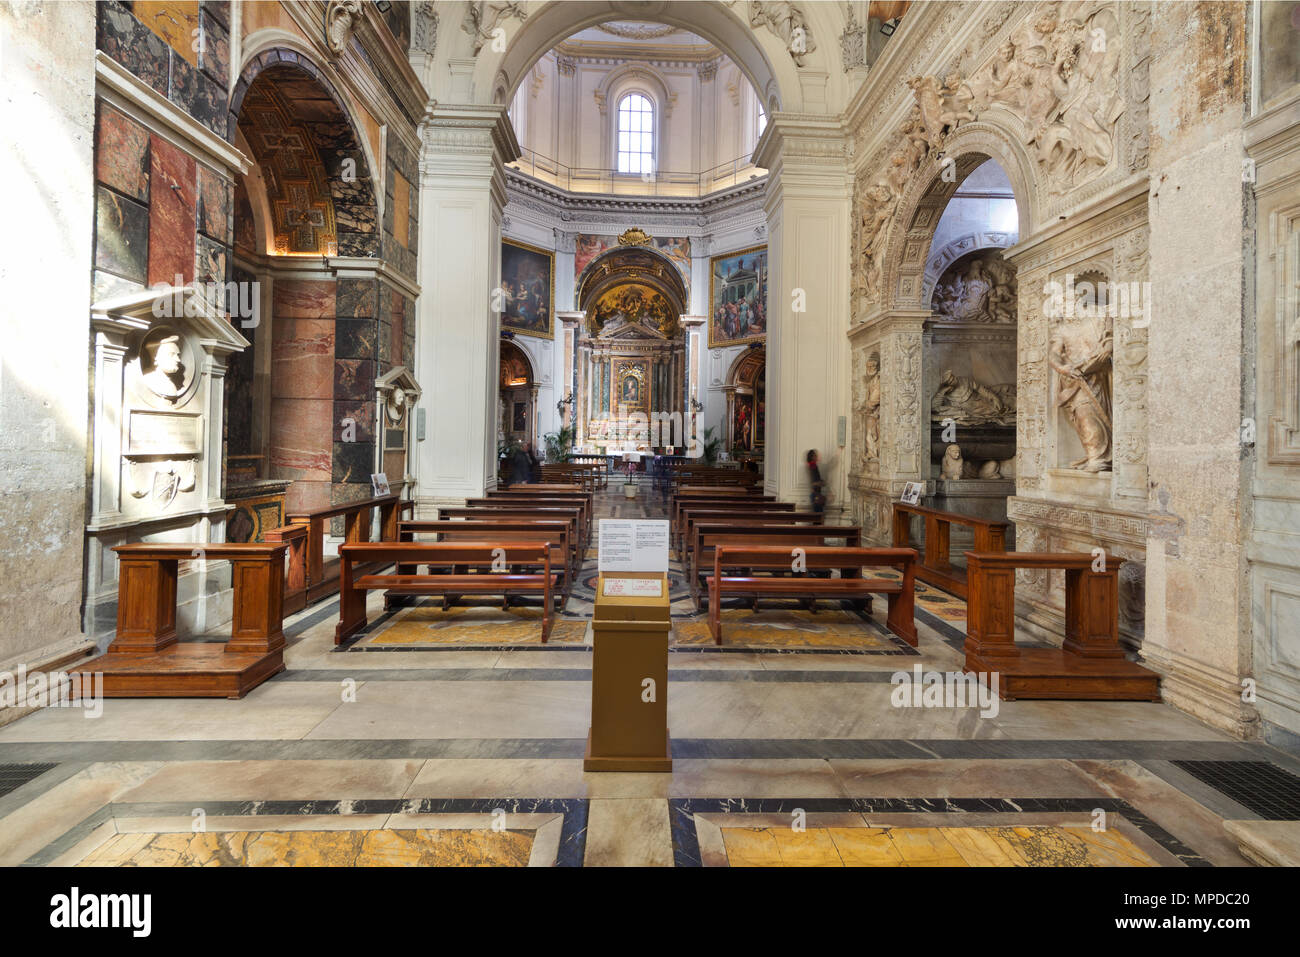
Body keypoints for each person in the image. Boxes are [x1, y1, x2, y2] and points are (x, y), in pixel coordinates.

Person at [806, 449, 826, 514]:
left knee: (818, 515)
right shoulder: (812, 466)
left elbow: (815, 479)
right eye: (815, 455)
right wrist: (821, 483)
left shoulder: (813, 465)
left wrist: (821, 481)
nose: (816, 457)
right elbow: (813, 482)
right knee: (818, 515)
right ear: (811, 457)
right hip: (816, 494)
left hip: (816, 493)